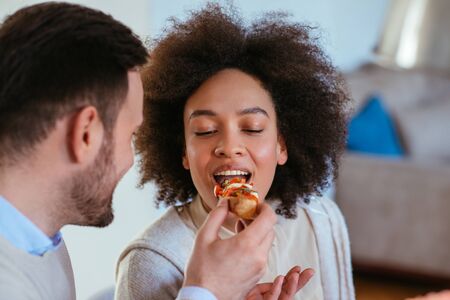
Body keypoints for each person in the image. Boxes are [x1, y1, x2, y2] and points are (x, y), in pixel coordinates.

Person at [0, 3, 281, 299]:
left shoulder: (38, 242)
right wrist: (205, 291)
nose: (130, 161)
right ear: (85, 133)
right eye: (130, 135)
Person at [116, 3, 355, 300]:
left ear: (282, 145)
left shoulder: (322, 220)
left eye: (252, 127)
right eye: (204, 130)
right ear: (184, 153)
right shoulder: (153, 263)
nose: (229, 147)